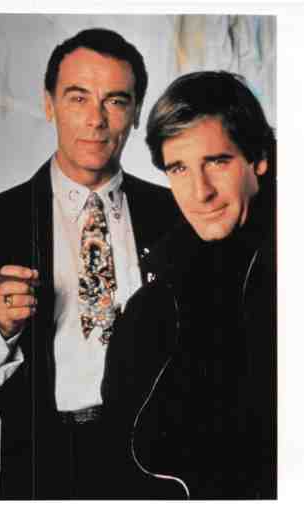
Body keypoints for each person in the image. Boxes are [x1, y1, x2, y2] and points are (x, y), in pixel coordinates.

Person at [0, 28, 180, 499]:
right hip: (43, 469)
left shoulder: (180, 217)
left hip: (163, 463)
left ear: (136, 112)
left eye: (115, 101)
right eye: (78, 98)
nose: (95, 119)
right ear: (49, 103)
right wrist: (1, 327)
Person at [102, 70, 277, 499]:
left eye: (217, 162)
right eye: (179, 168)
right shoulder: (156, 299)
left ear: (257, 159)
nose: (200, 192)